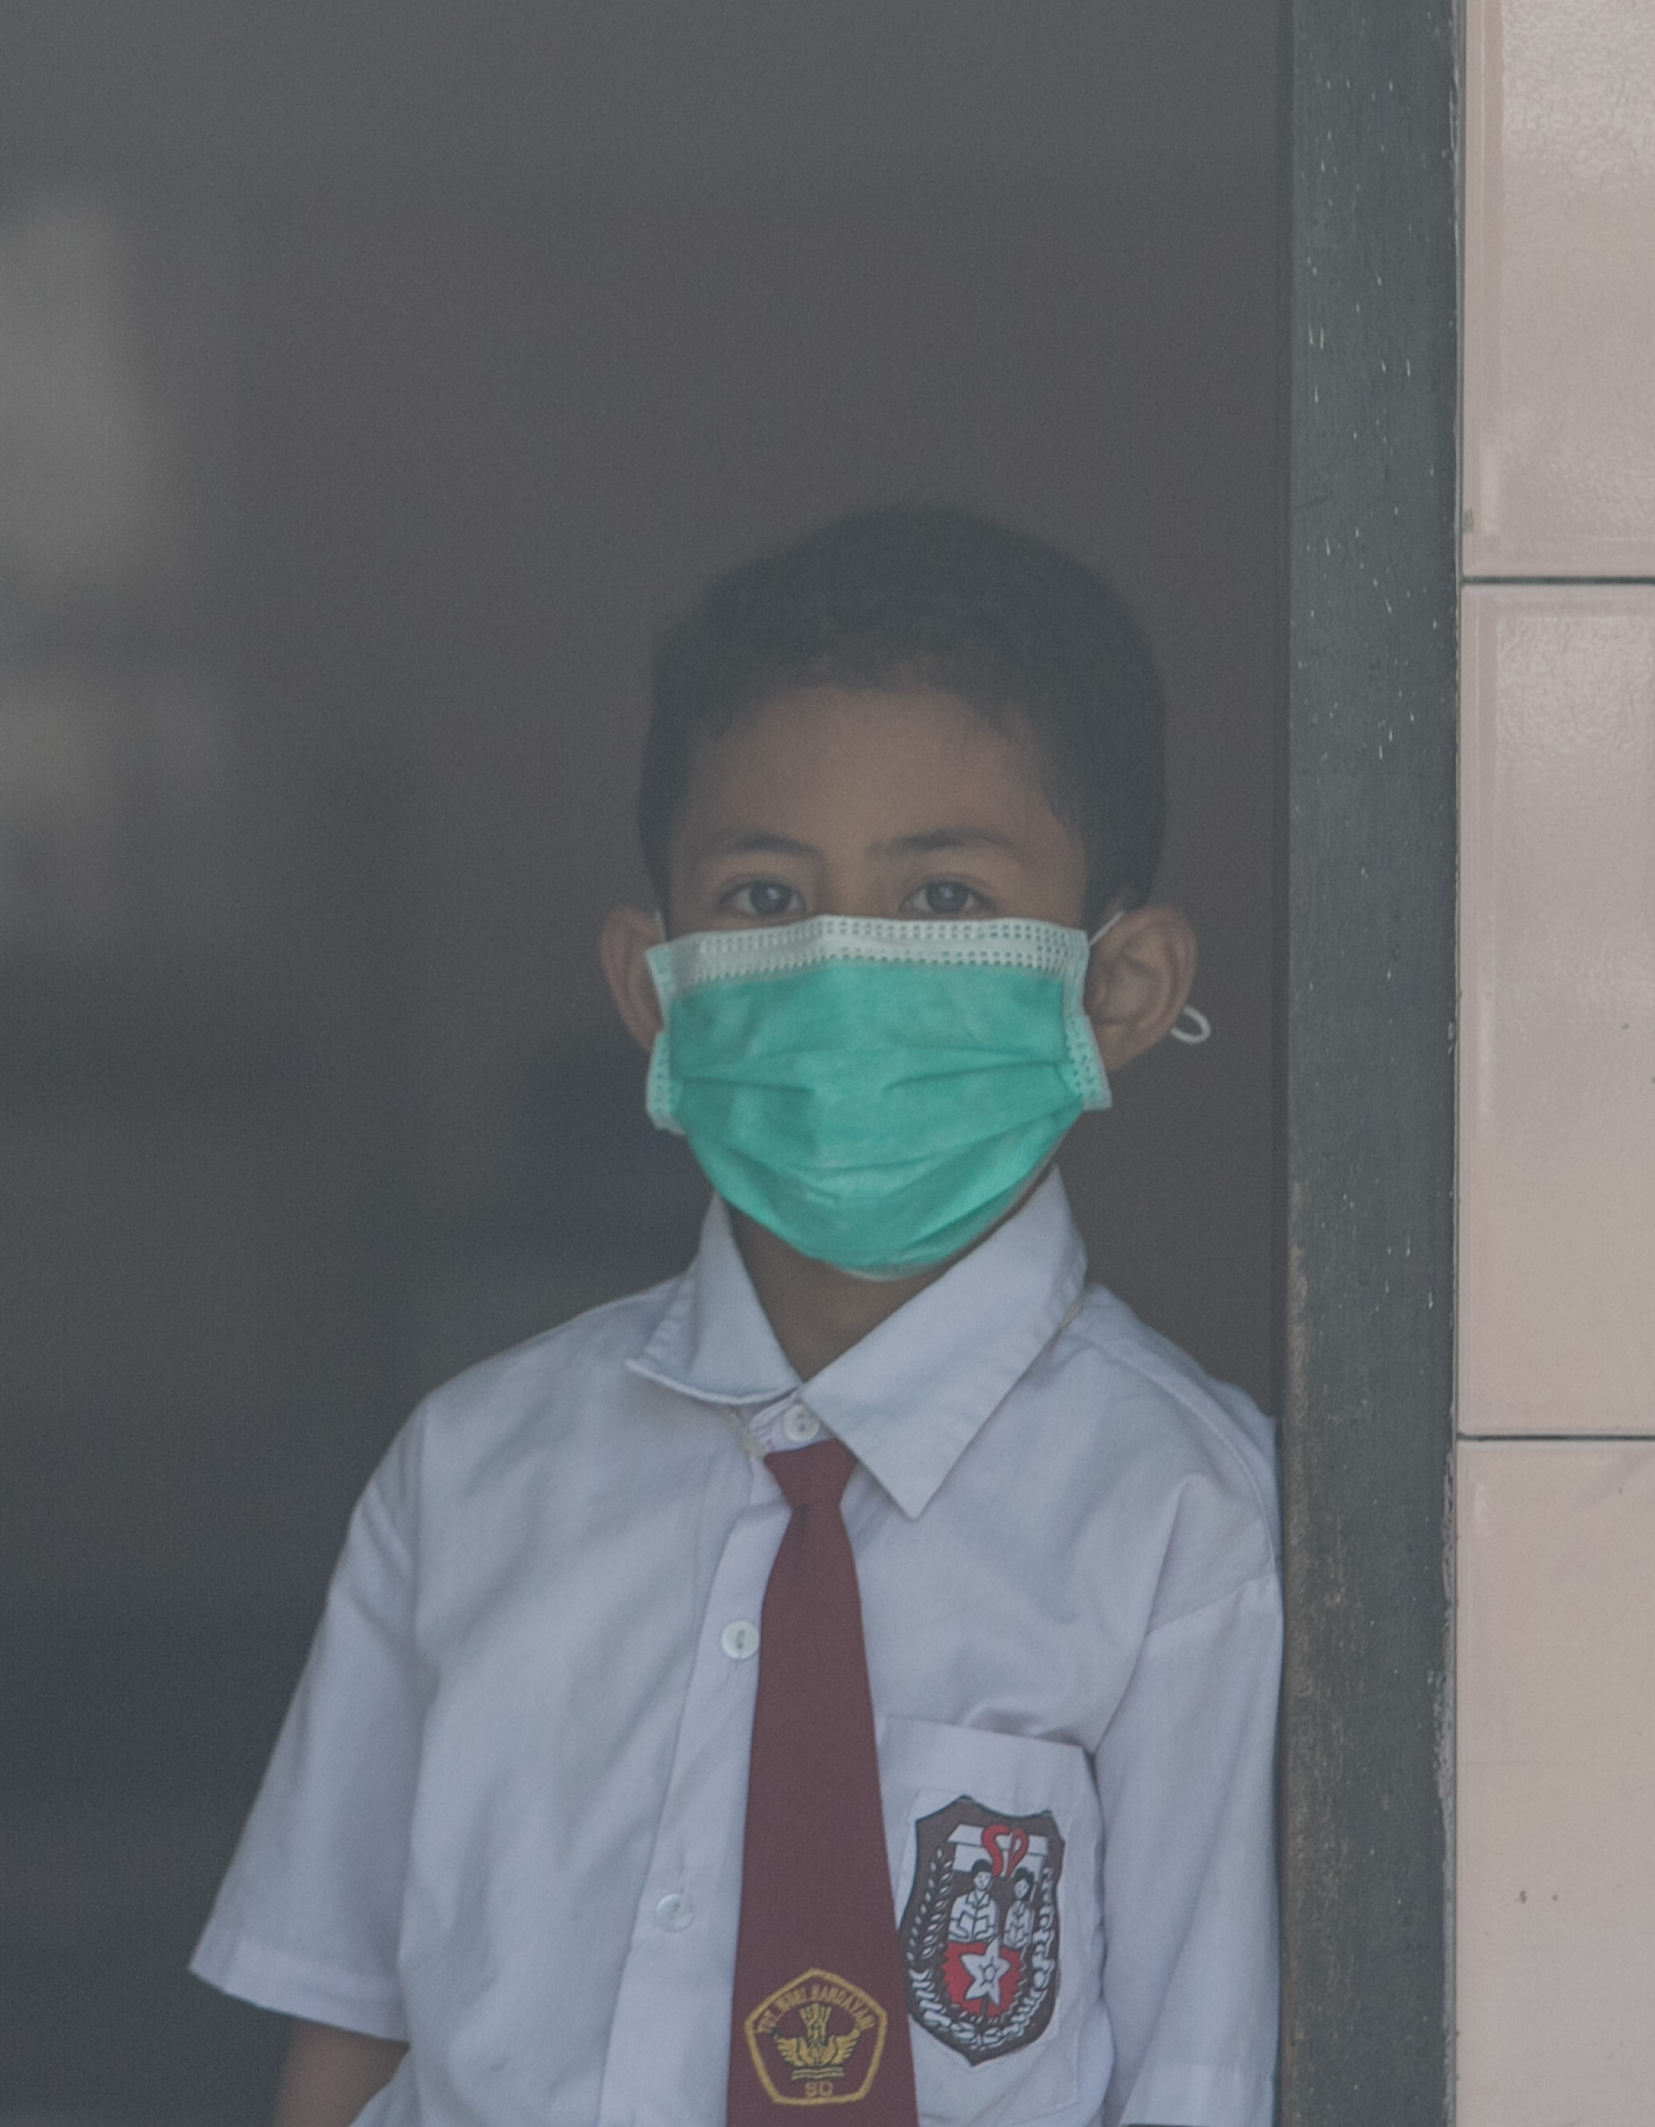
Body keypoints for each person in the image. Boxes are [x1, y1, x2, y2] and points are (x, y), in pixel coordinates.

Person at [194, 507, 1281, 2127]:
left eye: (939, 899)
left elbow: (1202, 2076)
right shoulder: (474, 1473)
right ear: (656, 988)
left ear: (1117, 992)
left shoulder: (1188, 1519)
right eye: (767, 895)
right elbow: (350, 2028)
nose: (842, 971)